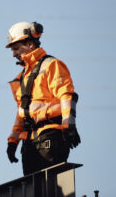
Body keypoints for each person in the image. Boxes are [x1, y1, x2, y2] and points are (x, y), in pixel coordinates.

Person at [5, 21, 81, 175]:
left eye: (16, 48)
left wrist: (69, 126)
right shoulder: (22, 77)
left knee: (48, 188)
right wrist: (13, 141)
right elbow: (22, 112)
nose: (14, 54)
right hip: (30, 142)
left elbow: (66, 96)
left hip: (51, 136)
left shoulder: (52, 65)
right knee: (32, 190)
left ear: (30, 44)